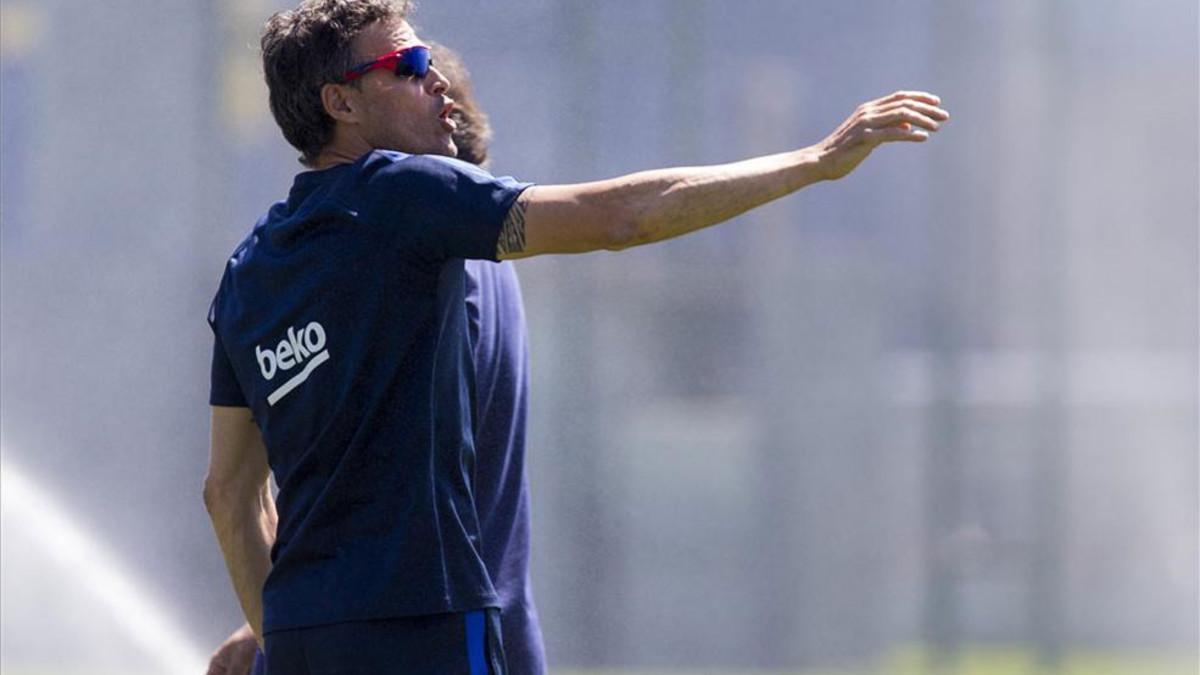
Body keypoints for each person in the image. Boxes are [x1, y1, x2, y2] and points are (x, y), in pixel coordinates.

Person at [202, 0, 948, 672]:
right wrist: (814, 162)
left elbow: (229, 493)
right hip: (424, 628)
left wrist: (279, 632)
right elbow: (624, 217)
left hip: (304, 632)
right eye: (410, 65)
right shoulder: (400, 194)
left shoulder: (247, 272)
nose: (434, 81)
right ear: (341, 103)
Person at [205, 41, 546, 675]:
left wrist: (282, 622)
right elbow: (383, 482)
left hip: (423, 637)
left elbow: (345, 486)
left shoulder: (432, 274)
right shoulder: (474, 274)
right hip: (474, 631)